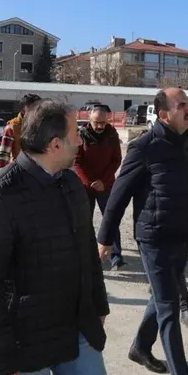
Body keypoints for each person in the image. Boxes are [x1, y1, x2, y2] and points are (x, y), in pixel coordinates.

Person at [0, 100, 110, 375]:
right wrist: (0, 360)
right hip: (25, 344)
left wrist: (98, 304)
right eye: (76, 136)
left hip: (76, 330)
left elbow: (87, 253)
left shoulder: (70, 184)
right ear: (55, 145)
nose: (81, 142)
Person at [97, 88, 188, 375]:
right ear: (164, 114)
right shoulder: (144, 147)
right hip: (155, 238)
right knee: (170, 310)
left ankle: (139, 347)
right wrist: (105, 238)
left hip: (184, 234)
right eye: (182, 105)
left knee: (165, 297)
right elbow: (118, 196)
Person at [72, 106, 124, 270]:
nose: (100, 126)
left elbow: (116, 160)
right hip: (86, 187)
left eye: (103, 122)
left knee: (111, 219)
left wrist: (103, 180)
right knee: (85, 221)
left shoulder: (112, 135)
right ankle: (88, 254)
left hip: (106, 186)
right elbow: (76, 161)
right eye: (97, 123)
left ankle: (116, 255)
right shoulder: (80, 135)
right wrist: (89, 181)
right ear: (89, 119)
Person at [0, 93, 42, 169]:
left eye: (39, 107)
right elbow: (4, 155)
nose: (37, 110)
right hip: (18, 171)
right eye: (33, 107)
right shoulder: (12, 127)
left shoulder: (42, 125)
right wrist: (0, 175)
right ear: (23, 109)